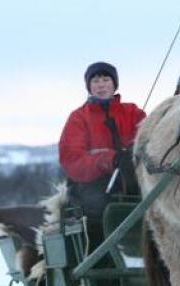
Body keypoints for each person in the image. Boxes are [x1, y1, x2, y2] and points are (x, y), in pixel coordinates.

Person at [58, 61, 146, 220]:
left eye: (106, 80)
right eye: (95, 81)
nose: (101, 85)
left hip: (134, 179)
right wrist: (109, 159)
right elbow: (71, 159)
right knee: (98, 205)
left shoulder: (133, 112)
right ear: (89, 87)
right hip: (93, 185)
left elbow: (148, 140)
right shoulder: (78, 117)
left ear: (114, 84)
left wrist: (131, 154)